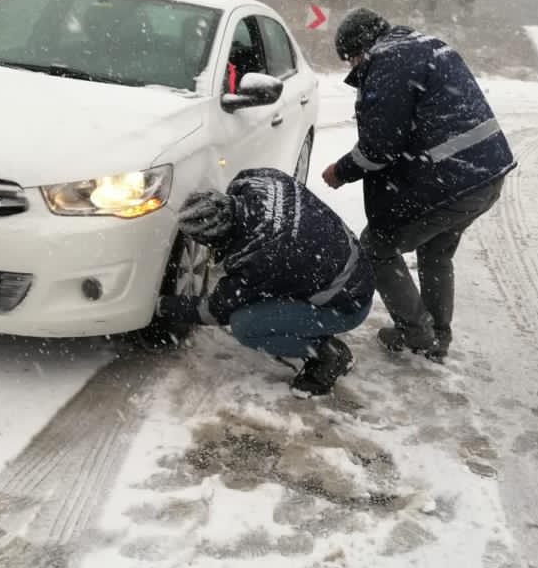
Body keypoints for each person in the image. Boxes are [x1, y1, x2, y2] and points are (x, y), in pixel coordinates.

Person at [322, 8, 516, 360]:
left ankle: (416, 333)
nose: (352, 66)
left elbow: (379, 148)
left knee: (375, 247)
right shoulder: (425, 46)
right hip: (485, 176)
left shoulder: (388, 63)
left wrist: (342, 171)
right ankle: (437, 335)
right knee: (436, 250)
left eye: (350, 58)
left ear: (361, 48)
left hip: (449, 182)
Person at [154, 168, 375, 398]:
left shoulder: (259, 260)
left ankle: (328, 354)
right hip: (355, 266)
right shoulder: (255, 180)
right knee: (273, 286)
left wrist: (159, 306)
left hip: (348, 305)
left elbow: (216, 311)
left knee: (245, 325)